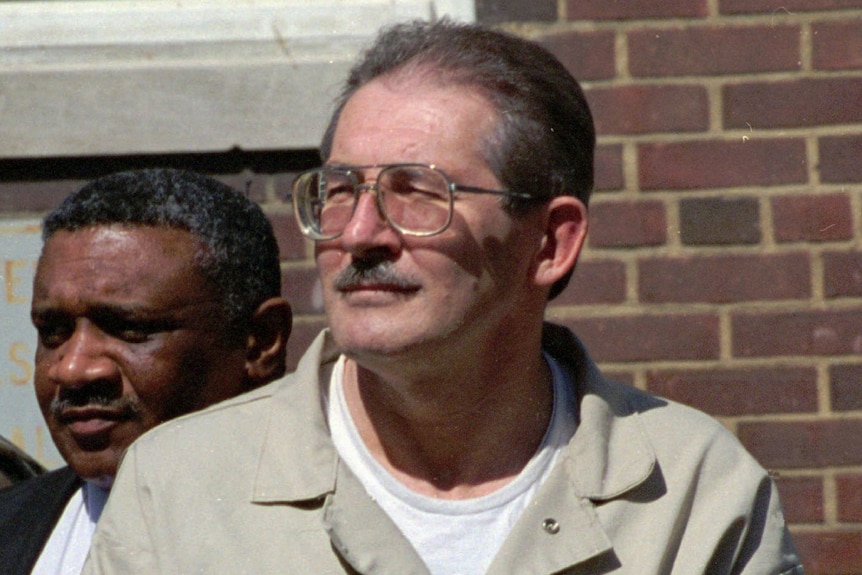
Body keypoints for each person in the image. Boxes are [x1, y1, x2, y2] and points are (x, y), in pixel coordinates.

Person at [85, 20, 803, 574]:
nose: (359, 234)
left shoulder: (691, 490)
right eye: (339, 190)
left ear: (549, 243)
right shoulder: (179, 487)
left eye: (417, 192)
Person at [0, 168, 292, 575]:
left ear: (260, 341)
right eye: (52, 332)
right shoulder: (12, 528)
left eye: (129, 329)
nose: (72, 368)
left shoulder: (335, 536)